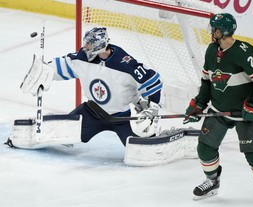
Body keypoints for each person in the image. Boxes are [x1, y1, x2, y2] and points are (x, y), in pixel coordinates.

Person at [7, 27, 162, 148]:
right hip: (92, 112)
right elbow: (63, 66)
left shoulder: (125, 63)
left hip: (123, 117)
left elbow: (153, 82)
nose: (85, 47)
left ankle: (153, 137)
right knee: (62, 133)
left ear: (100, 45)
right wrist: (45, 70)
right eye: (86, 43)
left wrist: (151, 106)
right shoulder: (83, 57)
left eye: (89, 44)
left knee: (138, 147)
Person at [183, 13, 253, 202]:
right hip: (218, 109)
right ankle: (212, 181)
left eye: (214, 29)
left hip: (244, 113)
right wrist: (199, 103)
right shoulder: (211, 50)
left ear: (221, 31)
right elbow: (207, 81)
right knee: (204, 148)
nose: (211, 32)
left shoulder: (244, 51)